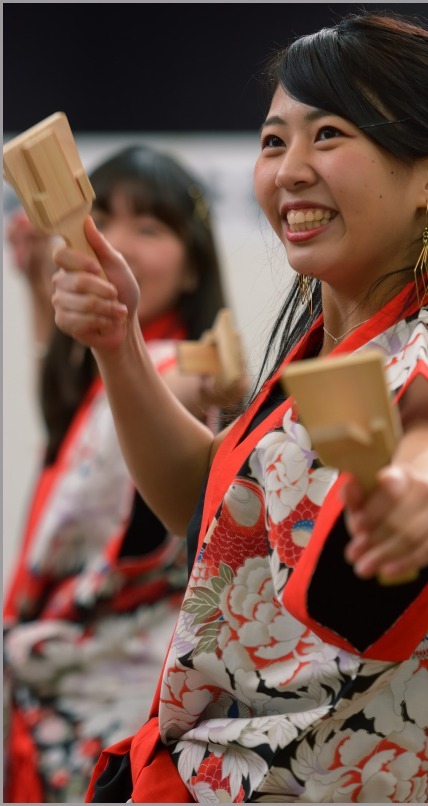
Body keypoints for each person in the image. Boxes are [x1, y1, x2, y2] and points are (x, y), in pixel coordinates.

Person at [49, 11, 428, 803]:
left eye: (329, 134)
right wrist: (118, 341)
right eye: (274, 141)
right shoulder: (326, 340)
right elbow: (212, 508)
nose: (290, 169)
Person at [3, 145, 245, 803]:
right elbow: (71, 422)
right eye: (102, 220)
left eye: (150, 227)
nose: (119, 244)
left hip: (114, 716)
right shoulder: (92, 376)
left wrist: (204, 383)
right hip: (51, 703)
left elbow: (182, 377)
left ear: (194, 265)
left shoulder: (165, 362)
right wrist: (35, 291)